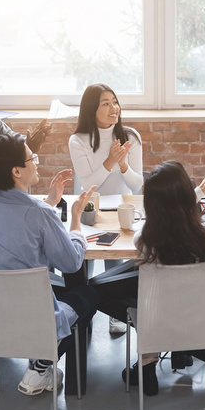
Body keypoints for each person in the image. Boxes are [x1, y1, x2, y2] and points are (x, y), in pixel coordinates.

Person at [0, 132, 98, 396]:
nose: (37, 161)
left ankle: (40, 367)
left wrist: (49, 202)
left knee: (60, 293)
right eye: (32, 158)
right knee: (87, 294)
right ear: (16, 171)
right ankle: (39, 368)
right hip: (33, 320)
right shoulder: (40, 213)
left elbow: (21, 222)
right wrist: (76, 219)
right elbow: (71, 262)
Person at [92, 159, 205, 396]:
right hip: (201, 323)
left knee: (121, 292)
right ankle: (180, 352)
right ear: (187, 195)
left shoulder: (143, 239)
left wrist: (201, 191)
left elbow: (168, 215)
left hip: (156, 324)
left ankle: (147, 363)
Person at [68, 83, 143, 334]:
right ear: (92, 109)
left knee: (116, 266)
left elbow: (137, 184)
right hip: (91, 208)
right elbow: (89, 184)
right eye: (105, 103)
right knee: (82, 261)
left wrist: (123, 165)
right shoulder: (78, 140)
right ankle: (83, 310)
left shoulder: (130, 136)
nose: (114, 108)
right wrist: (110, 160)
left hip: (122, 207)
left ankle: (115, 311)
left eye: (115, 101)